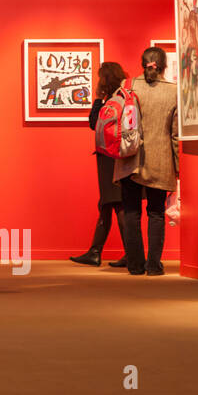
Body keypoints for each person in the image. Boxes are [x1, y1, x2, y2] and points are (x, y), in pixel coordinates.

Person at [116, 47, 179, 276]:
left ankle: (134, 264)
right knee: (156, 212)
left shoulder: (128, 85)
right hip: (161, 160)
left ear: (143, 63)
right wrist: (178, 167)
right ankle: (153, 265)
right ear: (163, 65)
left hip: (130, 158)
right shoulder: (173, 92)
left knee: (131, 211)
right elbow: (174, 135)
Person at [70, 62, 130, 268]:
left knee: (116, 203)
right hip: (118, 156)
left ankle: (130, 253)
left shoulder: (111, 101)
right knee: (108, 203)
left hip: (109, 158)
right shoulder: (124, 97)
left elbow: (94, 122)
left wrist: (96, 98)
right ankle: (95, 251)